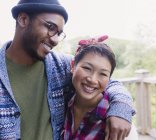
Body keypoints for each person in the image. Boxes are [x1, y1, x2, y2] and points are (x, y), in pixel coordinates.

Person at [0, 0, 135, 140]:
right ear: (23, 19)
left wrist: (121, 109)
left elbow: (110, 83)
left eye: (59, 33)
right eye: (50, 27)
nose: (55, 40)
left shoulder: (59, 65)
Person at [62, 35, 119, 139]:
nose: (92, 79)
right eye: (87, 68)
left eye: (103, 74)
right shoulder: (62, 103)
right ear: (72, 66)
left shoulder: (115, 119)